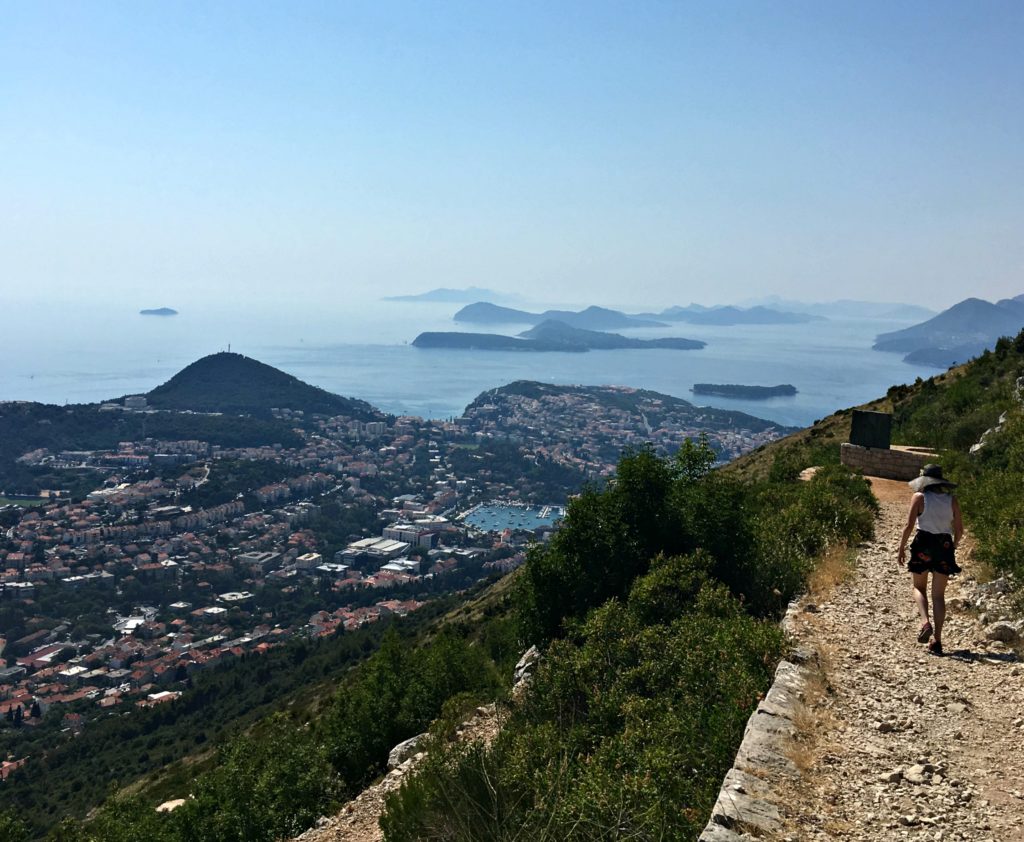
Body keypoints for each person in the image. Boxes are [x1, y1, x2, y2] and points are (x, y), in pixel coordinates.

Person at [897, 464, 963, 655]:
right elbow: (959, 530)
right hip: (944, 544)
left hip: (923, 543)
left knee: (919, 587)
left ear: (925, 481)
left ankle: (925, 623)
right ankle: (938, 641)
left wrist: (901, 548)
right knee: (938, 596)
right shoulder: (952, 500)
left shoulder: (920, 497)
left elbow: (909, 525)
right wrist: (953, 546)